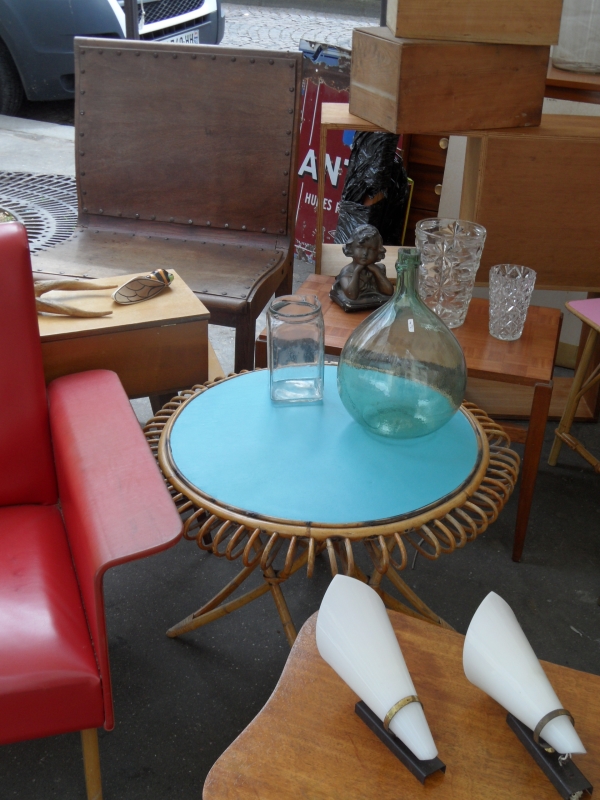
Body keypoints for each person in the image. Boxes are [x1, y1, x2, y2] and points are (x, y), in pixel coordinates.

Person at [330, 224, 394, 312]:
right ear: (351, 248)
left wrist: (376, 271)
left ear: (377, 252)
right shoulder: (347, 271)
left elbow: (389, 291)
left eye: (371, 249)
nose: (365, 253)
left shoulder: (379, 268)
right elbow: (352, 295)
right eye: (360, 247)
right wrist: (356, 272)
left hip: (379, 312)